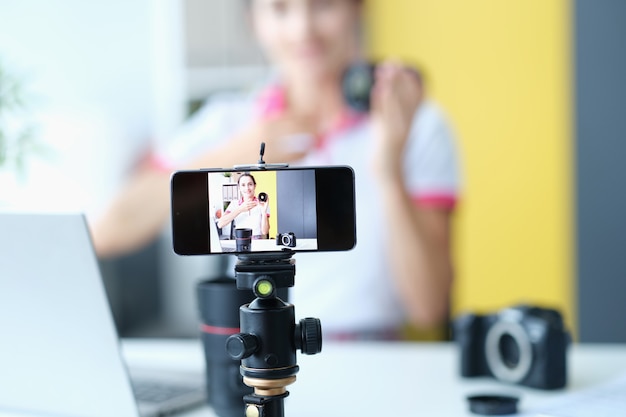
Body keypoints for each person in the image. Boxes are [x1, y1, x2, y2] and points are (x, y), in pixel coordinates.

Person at [91, 0, 461, 340]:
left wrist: (389, 168)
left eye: (324, 5)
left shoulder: (415, 126)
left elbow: (428, 308)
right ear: (255, 22)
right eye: (280, 8)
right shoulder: (229, 122)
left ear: (356, 9)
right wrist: (239, 152)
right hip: (249, 349)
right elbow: (107, 232)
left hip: (371, 354)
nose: (303, 30)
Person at [217, 173, 270, 239]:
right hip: (240, 240)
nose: (247, 188)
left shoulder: (262, 204)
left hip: (258, 242)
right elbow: (220, 224)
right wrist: (240, 209)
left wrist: (264, 211)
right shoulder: (234, 204)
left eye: (250, 184)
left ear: (255, 186)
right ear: (239, 188)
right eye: (243, 185)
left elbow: (265, 232)